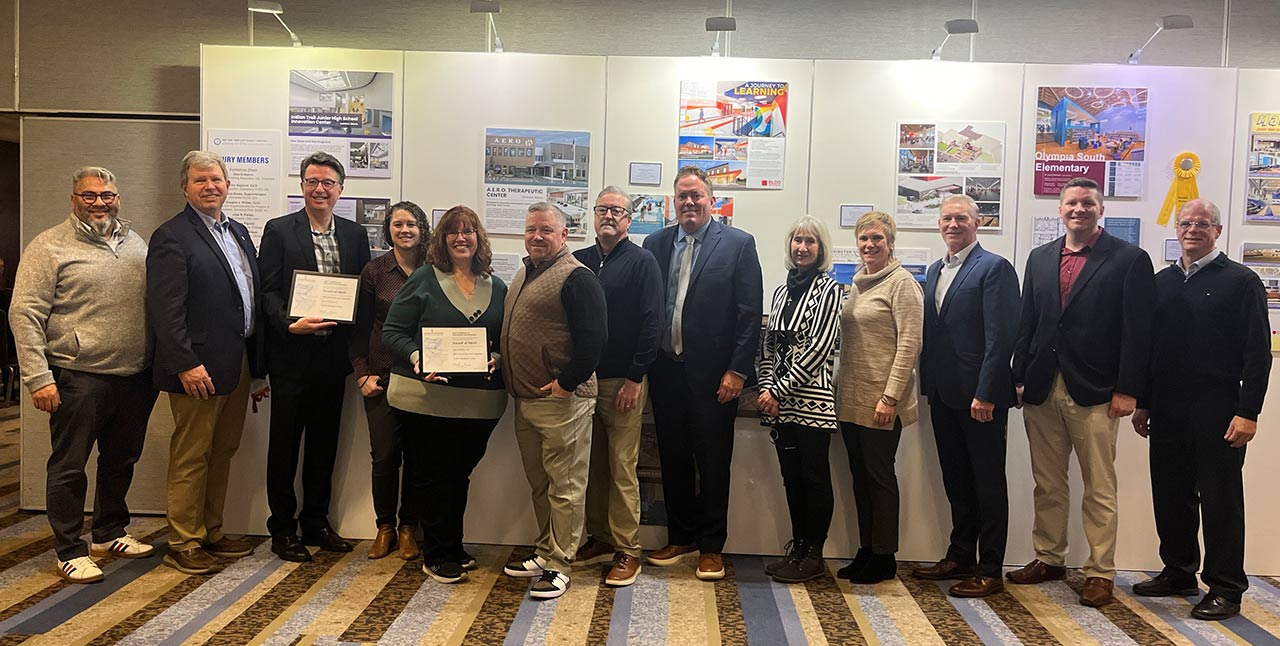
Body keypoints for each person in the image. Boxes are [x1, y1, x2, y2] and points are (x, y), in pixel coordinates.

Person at [1009, 176, 1155, 607]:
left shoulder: (1129, 259)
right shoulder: (1038, 258)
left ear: (1100, 209)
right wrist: (1019, 376)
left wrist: (1129, 389)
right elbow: (1027, 323)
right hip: (1041, 387)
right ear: (1060, 210)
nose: (1079, 209)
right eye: (1071, 203)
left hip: (1097, 391)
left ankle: (1100, 571)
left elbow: (1138, 332)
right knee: (1047, 483)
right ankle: (1049, 557)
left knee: (1099, 486)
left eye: (1087, 203)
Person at [9, 166, 157, 583]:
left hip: (134, 375)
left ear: (118, 198)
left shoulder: (135, 244)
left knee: (121, 459)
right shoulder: (49, 246)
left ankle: (110, 530)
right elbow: (24, 313)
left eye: (106, 195)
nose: (99, 202)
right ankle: (70, 549)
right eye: (89, 195)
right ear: (73, 199)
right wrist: (38, 377)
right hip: (78, 376)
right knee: (70, 466)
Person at [1131, 199, 1271, 621]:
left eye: (1202, 224)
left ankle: (1226, 588)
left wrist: (1249, 412)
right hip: (1168, 408)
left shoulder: (1241, 281)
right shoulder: (1162, 282)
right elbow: (1152, 350)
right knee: (1170, 494)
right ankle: (1178, 571)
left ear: (1218, 230)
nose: (1193, 229)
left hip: (1219, 409)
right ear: (1176, 229)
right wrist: (1144, 402)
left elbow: (1257, 354)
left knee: (1220, 500)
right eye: (1186, 223)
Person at [147, 151, 267, 575]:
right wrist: (185, 363)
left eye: (216, 179)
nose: (210, 186)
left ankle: (211, 531)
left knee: (222, 450)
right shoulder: (171, 236)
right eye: (200, 181)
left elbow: (246, 299)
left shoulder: (237, 232)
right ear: (185, 188)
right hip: (197, 368)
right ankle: (183, 540)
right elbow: (165, 309)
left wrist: (258, 367)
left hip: (237, 363)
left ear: (228, 185)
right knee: (191, 454)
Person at [641, 166, 762, 581]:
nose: (689, 203)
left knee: (713, 462)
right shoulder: (654, 244)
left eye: (696, 196)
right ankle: (681, 537)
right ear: (673, 202)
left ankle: (712, 546)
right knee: (672, 458)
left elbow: (748, 316)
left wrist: (737, 372)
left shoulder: (738, 244)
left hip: (715, 378)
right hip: (665, 371)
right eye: (682, 196)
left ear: (712, 200)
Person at [382, 205, 507, 584]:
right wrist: (418, 357)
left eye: (468, 231)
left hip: (480, 404)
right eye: (453, 232)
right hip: (427, 399)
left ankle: (452, 545)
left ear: (478, 238)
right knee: (432, 475)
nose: (461, 237)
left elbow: (503, 338)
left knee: (459, 475)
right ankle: (436, 553)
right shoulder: (424, 278)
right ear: (442, 239)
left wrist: (496, 358)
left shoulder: (496, 286)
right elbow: (393, 333)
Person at [258, 152, 371, 562]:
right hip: (291, 356)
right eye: (312, 182)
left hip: (333, 360)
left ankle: (317, 522)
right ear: (302, 186)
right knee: (284, 446)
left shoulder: (355, 235)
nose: (319, 189)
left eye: (327, 183)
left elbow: (362, 292)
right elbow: (266, 291)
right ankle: (283, 529)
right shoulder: (279, 231)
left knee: (325, 444)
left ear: (340, 189)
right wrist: (290, 323)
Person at [913, 195, 1019, 597]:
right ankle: (960, 555)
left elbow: (1001, 337)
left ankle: (991, 568)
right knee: (956, 479)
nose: (953, 225)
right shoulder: (935, 269)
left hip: (981, 399)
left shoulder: (994, 268)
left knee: (988, 483)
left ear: (978, 224)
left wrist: (987, 391)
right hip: (943, 393)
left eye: (961, 218)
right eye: (946, 218)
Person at [500, 203, 607, 600]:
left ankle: (562, 563)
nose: (537, 236)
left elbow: (594, 341)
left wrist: (566, 384)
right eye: (531, 230)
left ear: (564, 236)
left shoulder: (577, 277)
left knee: (566, 486)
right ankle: (546, 551)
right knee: (541, 484)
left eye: (546, 230)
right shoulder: (525, 271)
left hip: (564, 402)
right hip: (526, 400)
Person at [571, 187, 662, 587]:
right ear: (594, 216)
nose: (609, 216)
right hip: (583, 381)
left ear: (629, 219)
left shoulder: (644, 262)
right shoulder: (579, 261)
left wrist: (635, 377)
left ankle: (628, 549)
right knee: (590, 467)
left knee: (622, 467)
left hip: (623, 382)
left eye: (617, 211)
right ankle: (601, 538)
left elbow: (652, 323)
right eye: (603, 209)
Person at [835, 211, 922, 584]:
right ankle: (866, 550)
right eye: (863, 239)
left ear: (890, 242)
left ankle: (885, 558)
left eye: (877, 239)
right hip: (852, 398)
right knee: (860, 478)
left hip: (882, 402)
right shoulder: (858, 282)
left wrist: (890, 397)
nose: (869, 245)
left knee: (880, 478)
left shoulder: (902, 283)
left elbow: (909, 344)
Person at [758, 215, 843, 584]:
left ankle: (814, 554)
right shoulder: (780, 292)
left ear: (821, 249)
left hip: (812, 401)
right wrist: (765, 387)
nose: (803, 247)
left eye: (810, 242)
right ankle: (798, 549)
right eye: (797, 241)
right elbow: (768, 348)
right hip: (780, 405)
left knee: (814, 478)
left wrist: (776, 389)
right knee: (791, 479)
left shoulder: (830, 290)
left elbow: (819, 348)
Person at [349, 201, 429, 561]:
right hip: (380, 378)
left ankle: (409, 528)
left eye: (411, 224)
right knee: (383, 457)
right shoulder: (374, 272)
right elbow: (359, 326)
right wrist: (361, 372)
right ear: (388, 230)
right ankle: (385, 527)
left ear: (422, 229)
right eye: (397, 225)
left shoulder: (435, 270)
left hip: (424, 379)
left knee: (417, 456)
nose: (405, 230)